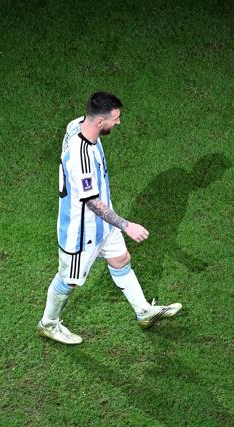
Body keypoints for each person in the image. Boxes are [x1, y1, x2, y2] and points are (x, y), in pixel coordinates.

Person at [37, 91, 182, 345]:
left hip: (104, 224)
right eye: (115, 118)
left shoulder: (77, 124)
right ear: (99, 122)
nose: (118, 122)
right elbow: (92, 203)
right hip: (81, 233)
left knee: (121, 259)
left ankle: (144, 312)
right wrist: (127, 225)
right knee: (68, 280)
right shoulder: (81, 158)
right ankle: (48, 324)